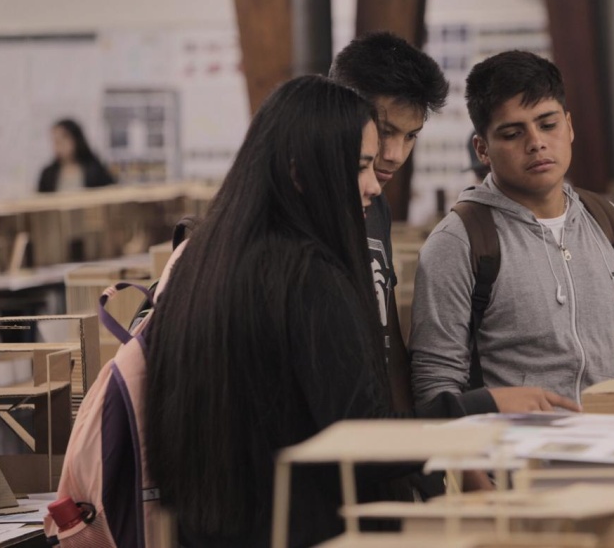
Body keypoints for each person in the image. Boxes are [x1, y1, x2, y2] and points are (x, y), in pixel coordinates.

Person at [144, 76, 501, 548]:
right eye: (360, 167)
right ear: (298, 172)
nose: (375, 185)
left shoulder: (200, 261)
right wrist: (482, 407)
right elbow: (358, 440)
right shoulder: (308, 275)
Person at [409, 50, 614, 410]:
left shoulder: (604, 218)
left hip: (612, 450)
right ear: (482, 149)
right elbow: (436, 382)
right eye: (513, 133)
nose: (536, 143)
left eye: (548, 125)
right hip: (516, 458)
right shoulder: (460, 242)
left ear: (569, 125)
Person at [330, 32, 577, 415]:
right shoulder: (458, 239)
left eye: (410, 136)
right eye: (385, 131)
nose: (394, 156)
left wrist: (413, 453)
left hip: (379, 444)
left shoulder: (374, 205)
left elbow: (390, 343)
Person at [37, 118, 115, 192]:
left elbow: (110, 191)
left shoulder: (94, 169)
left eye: (62, 140)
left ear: (75, 139)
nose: (59, 146)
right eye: (55, 141)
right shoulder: (48, 173)